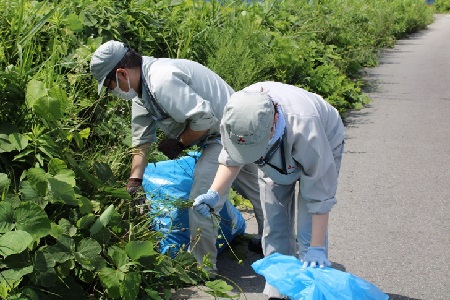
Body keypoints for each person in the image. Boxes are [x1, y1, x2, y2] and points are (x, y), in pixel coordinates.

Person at [89, 40, 264, 274]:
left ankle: (202, 269)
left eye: (111, 85)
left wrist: (179, 143)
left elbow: (204, 120)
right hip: (222, 134)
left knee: (202, 199)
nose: (113, 92)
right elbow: (141, 140)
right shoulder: (141, 91)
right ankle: (274, 245)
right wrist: (134, 182)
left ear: (122, 73)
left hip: (228, 132)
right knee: (260, 190)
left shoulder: (161, 80)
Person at [193, 81, 345, 299]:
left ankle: (310, 289)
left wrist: (317, 247)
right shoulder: (237, 117)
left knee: (308, 231)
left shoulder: (305, 124)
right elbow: (231, 159)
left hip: (323, 138)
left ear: (274, 122)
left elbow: (319, 194)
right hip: (272, 154)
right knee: (274, 225)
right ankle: (277, 291)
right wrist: (214, 194)